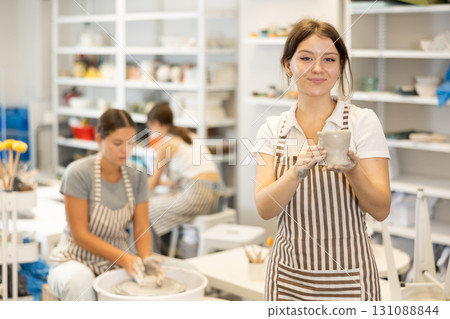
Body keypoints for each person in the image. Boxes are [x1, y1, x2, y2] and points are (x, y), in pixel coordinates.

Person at [253, 18, 391, 301]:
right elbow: (265, 208)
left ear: (340, 67)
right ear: (288, 65)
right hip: (287, 279)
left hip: (351, 277)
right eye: (306, 58)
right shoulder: (272, 129)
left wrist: (352, 171)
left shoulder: (362, 122)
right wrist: (295, 173)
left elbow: (381, 209)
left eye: (329, 59)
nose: (317, 68)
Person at [48, 109, 164, 301]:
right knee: (79, 282)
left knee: (182, 272)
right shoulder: (78, 173)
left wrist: (145, 260)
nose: (125, 150)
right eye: (117, 143)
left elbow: (142, 228)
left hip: (118, 261)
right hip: (75, 259)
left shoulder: (138, 175)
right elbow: (80, 235)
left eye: (130, 143)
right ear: (99, 140)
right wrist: (126, 258)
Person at [146, 102, 224, 252]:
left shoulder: (166, 145)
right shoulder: (190, 136)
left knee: (146, 207)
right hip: (216, 196)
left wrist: (135, 187)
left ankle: (154, 254)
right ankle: (169, 250)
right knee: (161, 202)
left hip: (197, 195)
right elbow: (179, 180)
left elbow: (153, 183)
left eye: (150, 128)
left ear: (155, 123)